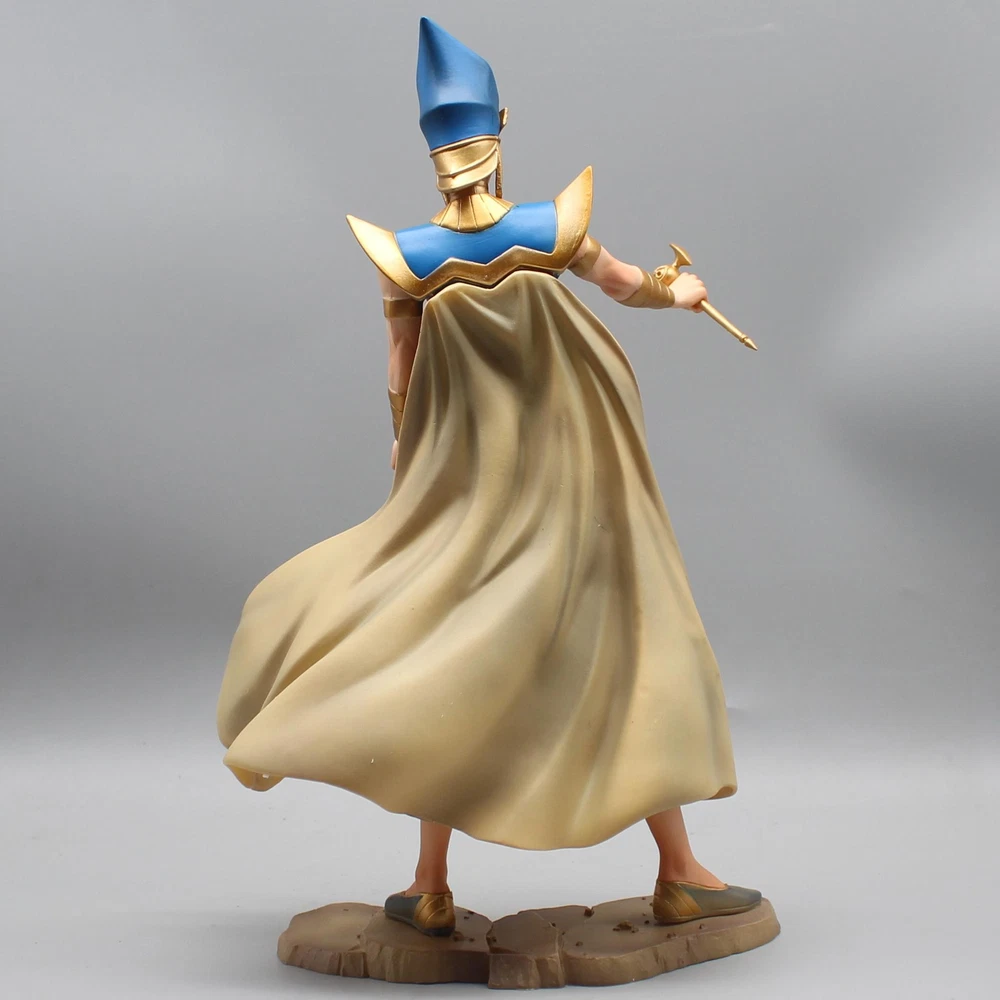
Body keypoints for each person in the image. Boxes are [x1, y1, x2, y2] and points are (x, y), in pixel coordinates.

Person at [217, 17, 761, 938]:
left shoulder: (408, 258)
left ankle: (429, 885)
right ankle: (679, 871)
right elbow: (626, 284)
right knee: (628, 649)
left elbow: (402, 371)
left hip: (475, 494)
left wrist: (406, 448)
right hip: (581, 486)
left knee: (451, 656)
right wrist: (683, 292)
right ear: (499, 128)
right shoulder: (552, 227)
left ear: (432, 146)